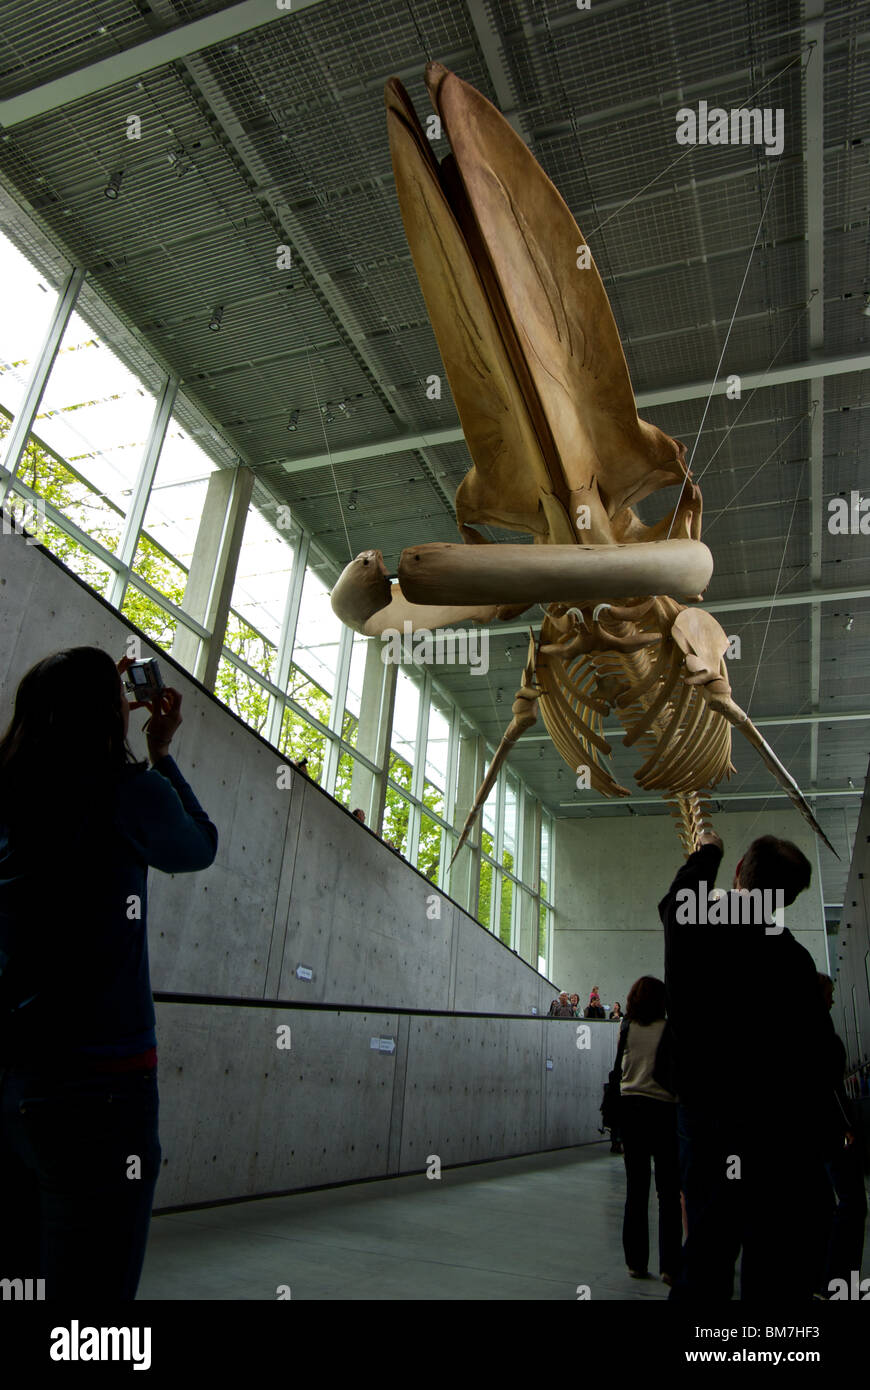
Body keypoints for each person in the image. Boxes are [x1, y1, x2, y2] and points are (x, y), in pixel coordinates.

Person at [0, 647, 217, 1300]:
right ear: (109, 712)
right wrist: (161, 752)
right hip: (101, 1086)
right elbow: (196, 848)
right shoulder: (127, 791)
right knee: (95, 1290)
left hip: (13, 1073)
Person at [659, 830, 840, 1301]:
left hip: (706, 1119)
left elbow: (678, 901)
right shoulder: (794, 959)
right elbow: (824, 1058)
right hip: (774, 1134)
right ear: (791, 899)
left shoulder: (699, 931)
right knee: (772, 1259)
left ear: (740, 871)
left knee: (705, 1251)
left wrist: (707, 852)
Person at [618, 976, 682, 1283]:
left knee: (636, 1189)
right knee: (668, 1192)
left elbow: (619, 1068)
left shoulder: (627, 1027)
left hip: (631, 1109)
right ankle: (670, 1265)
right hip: (663, 1110)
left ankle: (636, 1262)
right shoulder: (669, 1029)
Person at [816, 973, 867, 1297]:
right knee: (852, 1202)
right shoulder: (819, 1030)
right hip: (830, 1128)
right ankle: (840, 1279)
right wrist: (847, 1124)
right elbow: (831, 1085)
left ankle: (827, 1278)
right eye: (830, 993)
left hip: (814, 1129)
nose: (833, 999)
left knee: (825, 1204)